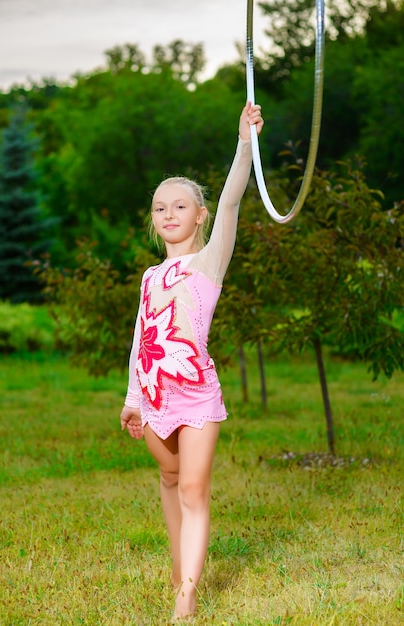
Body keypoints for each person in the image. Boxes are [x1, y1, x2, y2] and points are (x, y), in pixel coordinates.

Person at [120, 101, 263, 621]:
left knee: (194, 486)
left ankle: (187, 591)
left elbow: (230, 203)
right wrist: (134, 398)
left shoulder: (208, 262)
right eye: (160, 208)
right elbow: (140, 338)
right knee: (169, 478)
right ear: (154, 221)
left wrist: (244, 142)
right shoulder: (149, 277)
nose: (169, 214)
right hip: (155, 395)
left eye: (180, 206)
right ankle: (178, 565)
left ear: (197, 215)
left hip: (196, 393)